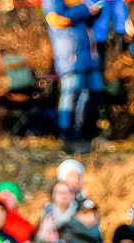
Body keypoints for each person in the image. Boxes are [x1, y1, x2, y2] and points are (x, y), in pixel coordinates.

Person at [44, 0, 104, 150]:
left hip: (89, 54)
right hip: (71, 56)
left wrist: (94, 12)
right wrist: (84, 9)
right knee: (71, 94)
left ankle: (88, 133)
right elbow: (55, 19)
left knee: (96, 92)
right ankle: (68, 135)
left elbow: (88, 19)